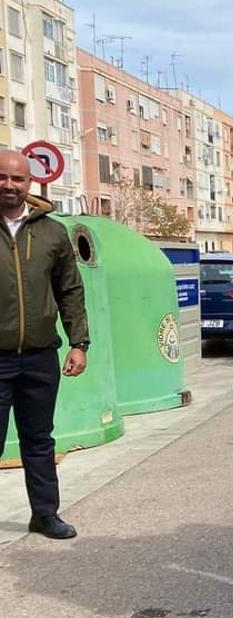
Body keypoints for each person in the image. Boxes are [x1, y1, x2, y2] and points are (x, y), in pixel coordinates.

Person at [0, 150, 87, 540]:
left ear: (29, 183)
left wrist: (79, 342)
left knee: (39, 439)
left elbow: (69, 290)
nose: (9, 185)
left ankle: (45, 514)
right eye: (2, 177)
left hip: (39, 356)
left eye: (17, 179)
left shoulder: (52, 232)